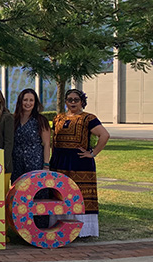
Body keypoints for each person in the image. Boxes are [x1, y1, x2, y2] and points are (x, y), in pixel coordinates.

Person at [50, 89, 109, 237]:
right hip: (58, 162)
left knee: (80, 195)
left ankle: (82, 231)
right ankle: (59, 225)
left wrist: (93, 153)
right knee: (60, 194)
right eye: (70, 99)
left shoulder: (88, 118)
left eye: (76, 99)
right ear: (65, 102)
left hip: (80, 163)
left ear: (82, 101)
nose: (73, 102)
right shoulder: (58, 118)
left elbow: (104, 135)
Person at [11, 89, 51, 182]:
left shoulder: (41, 120)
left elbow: (46, 144)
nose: (28, 103)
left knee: (35, 191)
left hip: (35, 163)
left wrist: (46, 165)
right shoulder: (13, 119)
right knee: (18, 192)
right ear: (20, 101)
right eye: (25, 100)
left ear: (35, 102)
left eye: (31, 100)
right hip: (16, 163)